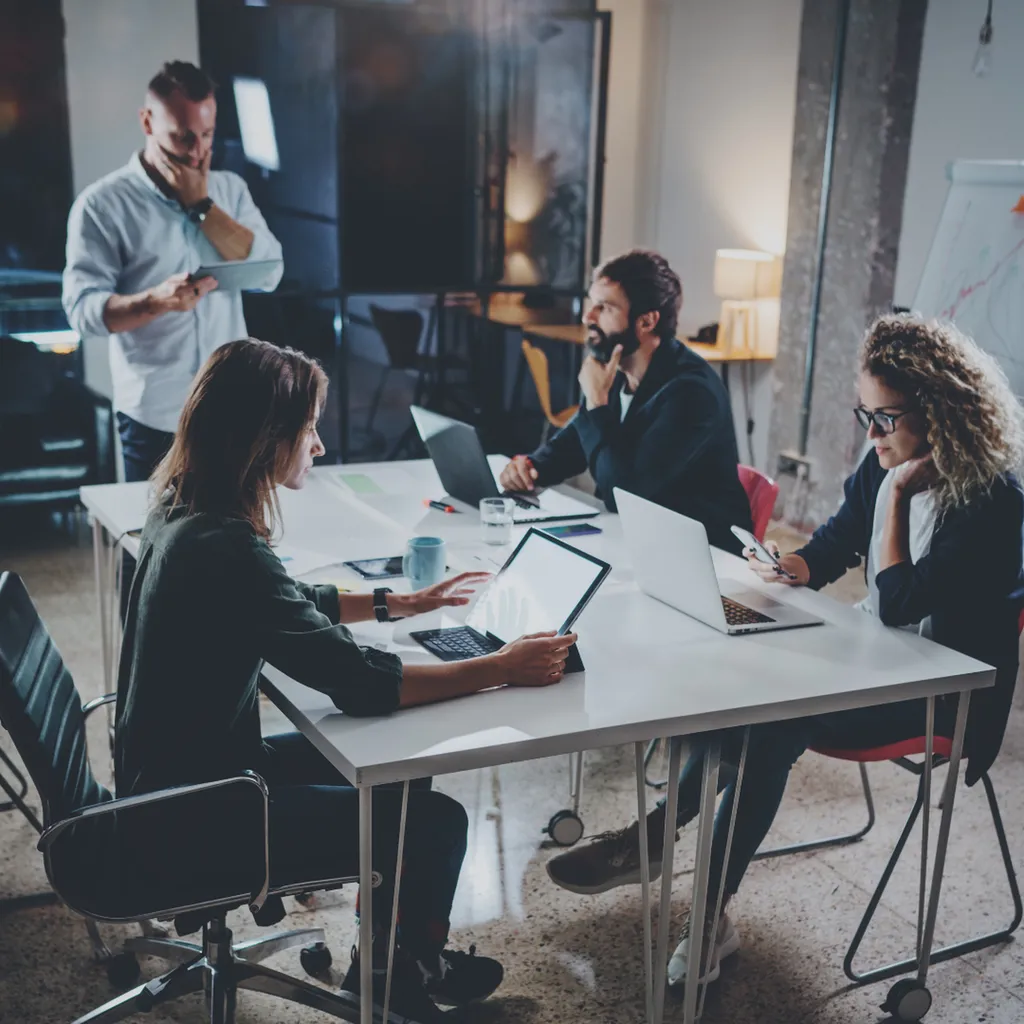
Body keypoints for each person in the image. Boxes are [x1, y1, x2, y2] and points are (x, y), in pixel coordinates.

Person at [546, 315, 1024, 987]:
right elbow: (834, 543)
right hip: (876, 659)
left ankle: (696, 898)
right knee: (748, 697)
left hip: (944, 694)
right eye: (866, 414)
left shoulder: (993, 499)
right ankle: (666, 849)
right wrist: (793, 566)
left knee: (773, 720)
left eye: (885, 419)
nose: (871, 435)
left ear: (940, 412)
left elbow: (907, 598)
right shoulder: (882, 462)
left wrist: (894, 503)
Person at [115, 338, 578, 1023]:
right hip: (204, 811)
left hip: (178, 778)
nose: (319, 447)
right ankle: (400, 985)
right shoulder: (226, 548)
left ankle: (392, 962)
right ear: (264, 440)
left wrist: (398, 602)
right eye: (308, 431)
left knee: (402, 767)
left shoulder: (184, 510)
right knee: (436, 824)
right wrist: (501, 667)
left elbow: (282, 596)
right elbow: (362, 683)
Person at [62, 60, 284, 483]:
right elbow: (82, 310)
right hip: (154, 414)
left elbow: (269, 272)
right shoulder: (102, 205)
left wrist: (203, 207)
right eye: (183, 137)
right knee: (152, 542)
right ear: (147, 121)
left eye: (207, 135)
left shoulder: (229, 192)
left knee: (229, 538)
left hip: (229, 407)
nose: (198, 150)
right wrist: (156, 301)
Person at [499, 249, 752, 553]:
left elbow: (622, 493)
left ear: (646, 322)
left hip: (702, 557)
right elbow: (575, 442)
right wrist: (530, 468)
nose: (588, 316)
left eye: (604, 308)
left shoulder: (693, 394)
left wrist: (597, 403)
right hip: (641, 540)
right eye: (592, 303)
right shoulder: (619, 369)